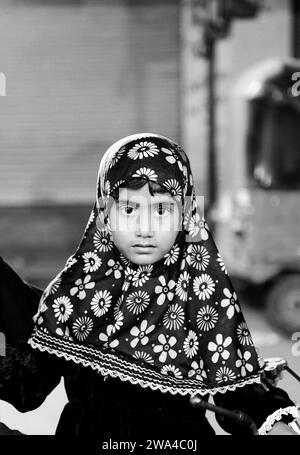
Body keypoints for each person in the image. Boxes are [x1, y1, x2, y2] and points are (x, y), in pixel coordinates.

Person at [0, 133, 299, 437]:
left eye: (161, 210)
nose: (145, 229)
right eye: (129, 209)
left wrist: (277, 421)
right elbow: (27, 387)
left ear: (185, 215)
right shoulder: (74, 294)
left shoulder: (202, 297)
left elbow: (241, 395)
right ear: (105, 215)